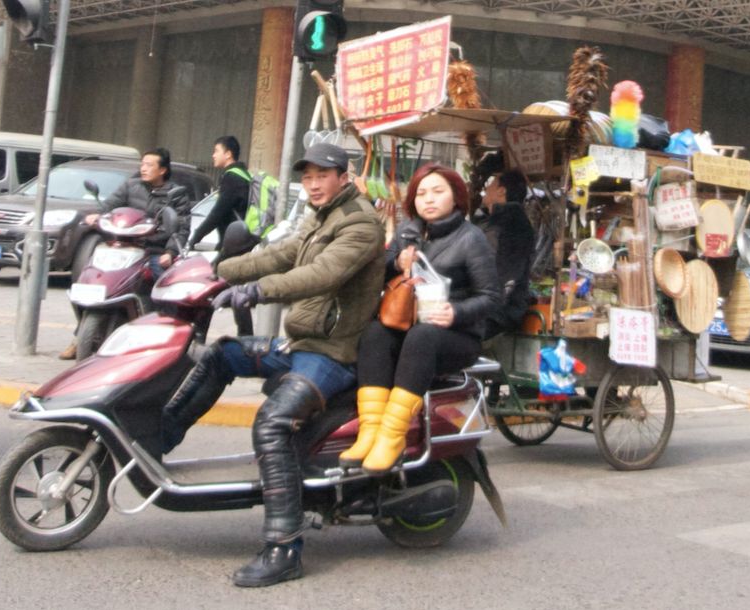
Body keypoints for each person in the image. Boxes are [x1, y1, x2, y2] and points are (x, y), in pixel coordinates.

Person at [160, 142, 385, 587]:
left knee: (272, 423)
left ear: (343, 176)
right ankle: (159, 438)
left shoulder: (360, 224)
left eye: (323, 175)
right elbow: (279, 254)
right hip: (301, 342)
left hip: (332, 354)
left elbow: (321, 274)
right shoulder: (320, 217)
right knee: (223, 354)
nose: (315, 184)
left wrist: (257, 290)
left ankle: (285, 547)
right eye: (308, 177)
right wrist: (218, 269)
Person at [339, 163, 501, 474]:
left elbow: (492, 298)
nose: (428, 199)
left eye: (438, 192)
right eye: (421, 193)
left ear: (456, 197)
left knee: (422, 335)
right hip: (408, 324)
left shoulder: (471, 239)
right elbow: (381, 268)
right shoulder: (407, 231)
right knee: (375, 333)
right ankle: (370, 430)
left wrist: (456, 312)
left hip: (455, 336)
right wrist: (396, 260)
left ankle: (392, 436)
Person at [59, 147, 189, 359]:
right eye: (143, 164)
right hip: (123, 246)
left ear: (163, 170)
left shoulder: (176, 194)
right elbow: (110, 205)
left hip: (153, 250)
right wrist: (96, 216)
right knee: (90, 280)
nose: (144, 168)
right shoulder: (131, 185)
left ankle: (166, 334)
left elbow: (182, 227)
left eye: (149, 165)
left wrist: (170, 251)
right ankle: (80, 335)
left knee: (164, 287)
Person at [191, 136, 253, 335]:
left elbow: (218, 212)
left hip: (232, 246)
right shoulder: (242, 175)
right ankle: (246, 337)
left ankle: (198, 335)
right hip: (238, 244)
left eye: (216, 150)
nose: (213, 155)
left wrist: (196, 236)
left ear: (228, 154)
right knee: (235, 293)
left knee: (209, 290)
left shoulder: (232, 177)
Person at [472, 160, 535, 337]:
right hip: (492, 308)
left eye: (491, 184)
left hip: (498, 313)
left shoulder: (511, 223)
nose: (487, 188)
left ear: (501, 191)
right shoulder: (494, 220)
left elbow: (504, 273)